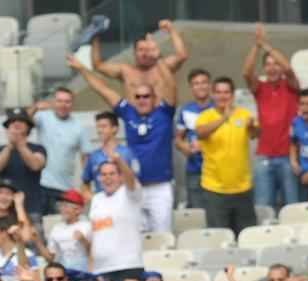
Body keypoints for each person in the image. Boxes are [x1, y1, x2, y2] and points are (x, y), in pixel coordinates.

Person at [70, 56, 176, 233]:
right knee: (134, 234)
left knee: (162, 237)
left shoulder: (164, 112)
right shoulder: (128, 113)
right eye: (138, 96)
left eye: (146, 96)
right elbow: (102, 89)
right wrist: (82, 69)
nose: (142, 100)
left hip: (160, 187)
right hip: (133, 187)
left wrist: (158, 60)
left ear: (154, 98)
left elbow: (171, 86)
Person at [240, 23, 300, 212]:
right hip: (264, 156)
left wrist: (267, 46)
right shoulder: (261, 89)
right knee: (263, 208)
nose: (272, 68)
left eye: (276, 64)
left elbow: (289, 69)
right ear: (264, 68)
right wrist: (256, 47)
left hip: (288, 157)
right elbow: (246, 73)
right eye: (268, 64)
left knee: (292, 209)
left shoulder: (291, 86)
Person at [196, 77, 260, 235]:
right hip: (215, 189)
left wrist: (253, 127)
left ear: (232, 95)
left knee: (246, 236)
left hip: (242, 188)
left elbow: (256, 134)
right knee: (220, 238)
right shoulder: (205, 116)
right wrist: (224, 117)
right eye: (218, 92)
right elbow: (201, 133)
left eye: (226, 92)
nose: (222, 96)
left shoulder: (244, 114)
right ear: (212, 95)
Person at [91, 19, 188, 100]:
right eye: (141, 50)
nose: (145, 53)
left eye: (148, 50)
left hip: (159, 120)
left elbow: (182, 55)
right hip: (134, 120)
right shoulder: (126, 71)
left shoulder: (162, 68)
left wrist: (171, 29)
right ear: (134, 52)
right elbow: (98, 65)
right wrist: (95, 37)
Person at [89, 157, 144, 281]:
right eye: (103, 174)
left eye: (112, 174)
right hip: (101, 269)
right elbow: (95, 236)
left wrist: (118, 160)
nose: (108, 178)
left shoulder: (129, 194)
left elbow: (131, 180)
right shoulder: (96, 199)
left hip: (127, 266)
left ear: (121, 176)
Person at [0, 110, 48, 229]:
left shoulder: (37, 148)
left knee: (35, 244)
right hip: (6, 211)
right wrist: (10, 146)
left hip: (31, 209)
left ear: (28, 128)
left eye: (21, 121)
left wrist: (20, 145)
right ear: (7, 128)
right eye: (12, 122)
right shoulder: (0, 150)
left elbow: (36, 165)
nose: (16, 124)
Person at [33, 87, 86, 213]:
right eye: (60, 101)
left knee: (58, 227)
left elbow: (86, 158)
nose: (63, 105)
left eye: (67, 101)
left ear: (72, 104)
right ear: (53, 102)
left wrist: (85, 186)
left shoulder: (79, 128)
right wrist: (35, 107)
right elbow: (23, 122)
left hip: (64, 189)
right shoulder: (42, 117)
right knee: (37, 227)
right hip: (40, 185)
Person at [176, 68, 214, 209]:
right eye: (196, 83)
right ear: (191, 88)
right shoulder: (185, 110)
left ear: (210, 85)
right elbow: (178, 139)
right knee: (198, 214)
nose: (201, 86)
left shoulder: (218, 109)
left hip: (217, 171)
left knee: (217, 214)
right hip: (194, 170)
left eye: (204, 82)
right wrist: (184, 147)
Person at [81, 110, 139, 202]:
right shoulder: (93, 156)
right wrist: (95, 199)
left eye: (103, 126)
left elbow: (136, 181)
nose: (99, 130)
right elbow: (85, 184)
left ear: (114, 129)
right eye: (98, 127)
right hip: (102, 206)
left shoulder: (127, 153)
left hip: (123, 203)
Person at [46, 190, 92, 272]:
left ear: (78, 209)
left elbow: (94, 253)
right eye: (60, 205)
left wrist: (83, 241)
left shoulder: (87, 226)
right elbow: (50, 257)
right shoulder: (56, 229)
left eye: (65, 206)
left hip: (83, 271)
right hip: (64, 272)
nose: (61, 209)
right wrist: (37, 241)